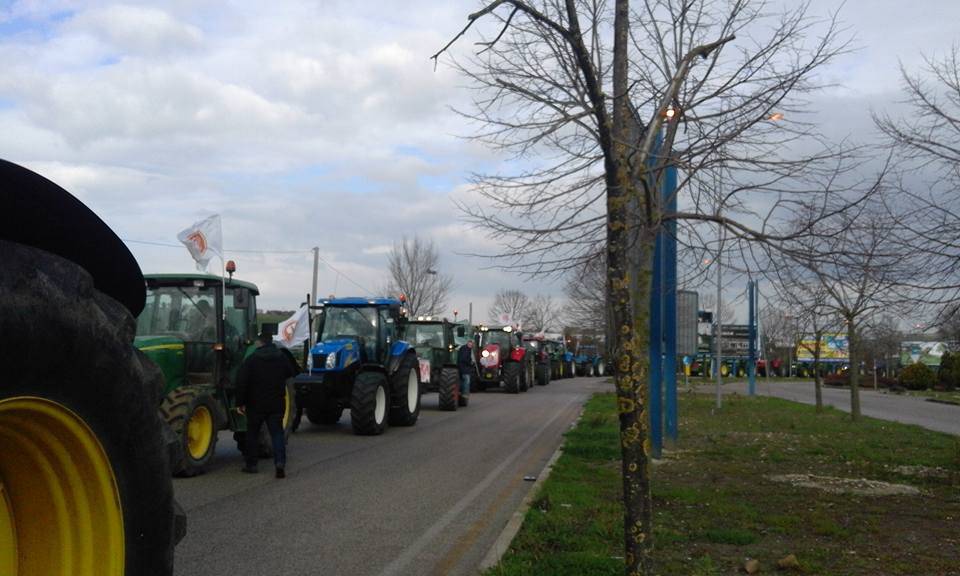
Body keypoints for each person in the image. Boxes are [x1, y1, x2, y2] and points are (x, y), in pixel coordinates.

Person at [236, 331, 296, 478]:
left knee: (252, 434)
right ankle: (280, 464)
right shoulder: (281, 357)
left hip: (256, 404)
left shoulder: (251, 360)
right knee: (277, 434)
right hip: (276, 403)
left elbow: (242, 382)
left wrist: (240, 403)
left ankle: (252, 465)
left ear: (260, 343)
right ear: (271, 341)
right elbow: (290, 372)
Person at [457, 339, 475, 407]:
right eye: (471, 343)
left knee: (463, 381)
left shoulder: (467, 349)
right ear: (468, 343)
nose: (472, 345)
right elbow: (463, 359)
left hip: (464, 368)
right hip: (464, 368)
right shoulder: (465, 349)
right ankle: (464, 396)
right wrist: (470, 362)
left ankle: (461, 395)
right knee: (466, 381)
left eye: (472, 344)